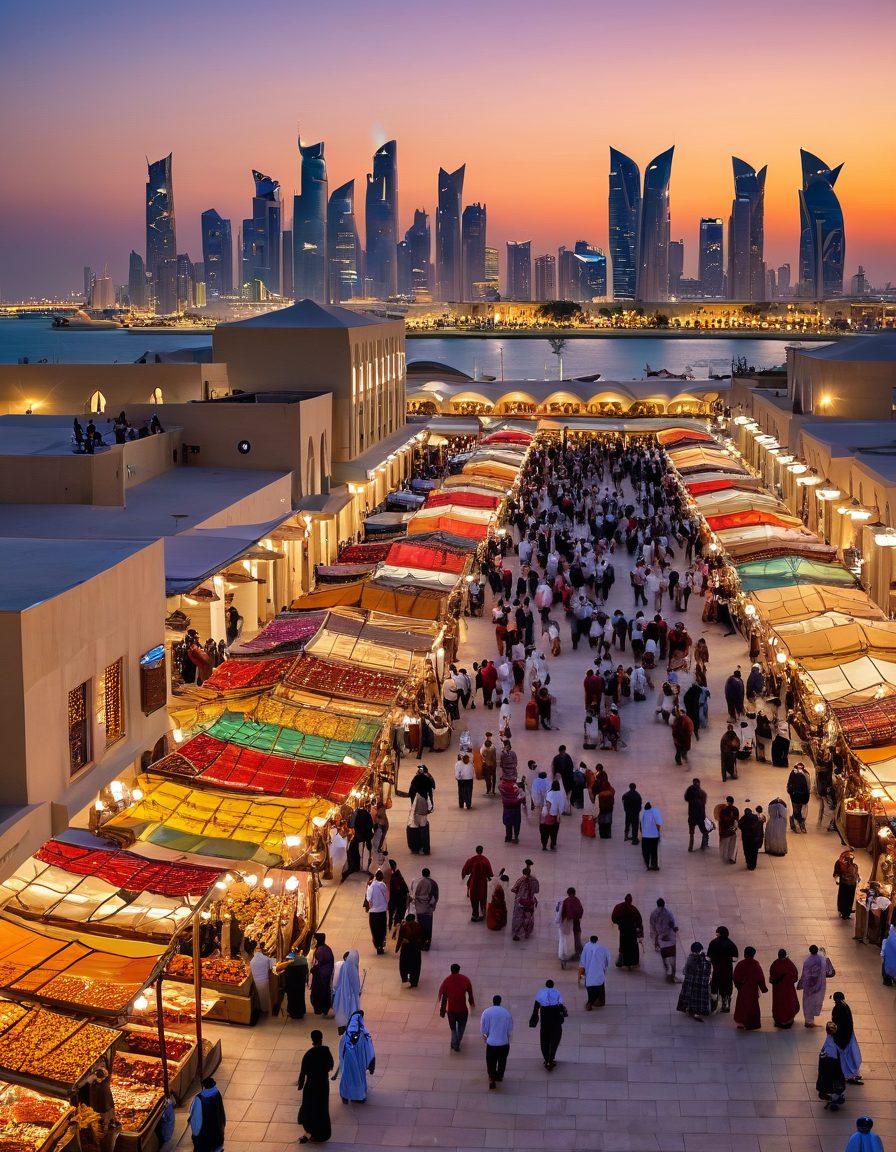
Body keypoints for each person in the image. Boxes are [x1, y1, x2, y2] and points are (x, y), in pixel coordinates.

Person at [297, 1030, 334, 1143]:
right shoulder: (326, 1051)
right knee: (322, 1108)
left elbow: (303, 1071)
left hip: (312, 1085)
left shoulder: (309, 1054)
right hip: (323, 1084)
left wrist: (301, 1083)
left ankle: (312, 1131)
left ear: (312, 1039)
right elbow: (330, 1066)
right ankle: (322, 1134)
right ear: (321, 1038)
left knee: (310, 1108)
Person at [338, 1010, 375, 1103]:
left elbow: (341, 1049)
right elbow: (369, 1047)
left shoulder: (347, 1034)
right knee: (357, 1078)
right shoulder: (363, 1033)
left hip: (349, 1062)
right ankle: (358, 1097)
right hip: (358, 1062)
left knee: (348, 1078)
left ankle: (346, 1096)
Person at [529, 979, 567, 1070]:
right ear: (553, 985)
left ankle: (546, 1059)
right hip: (555, 1016)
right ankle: (551, 1057)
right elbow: (561, 1004)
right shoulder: (557, 992)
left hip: (545, 1016)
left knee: (544, 1038)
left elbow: (536, 1007)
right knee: (555, 1037)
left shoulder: (541, 992)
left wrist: (534, 1019)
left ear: (546, 985)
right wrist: (563, 1014)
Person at [438, 963, 475, 1051]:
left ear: (451, 970)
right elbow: (470, 992)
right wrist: (471, 1002)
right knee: (462, 1027)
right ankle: (456, 1042)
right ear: (459, 970)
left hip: (451, 1010)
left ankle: (455, 1043)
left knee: (453, 1028)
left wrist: (442, 1011)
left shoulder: (447, 981)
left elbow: (444, 997)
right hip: (462, 1009)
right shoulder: (465, 979)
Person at [798, 945, 836, 1027]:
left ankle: (808, 1021)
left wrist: (801, 984)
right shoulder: (822, 959)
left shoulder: (807, 961)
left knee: (808, 1003)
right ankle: (811, 1020)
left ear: (810, 951)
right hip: (820, 985)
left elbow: (805, 975)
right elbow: (830, 972)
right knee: (817, 1001)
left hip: (809, 987)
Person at [480, 995, 514, 1089]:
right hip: (503, 1042)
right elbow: (510, 1028)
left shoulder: (487, 1012)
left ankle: (492, 1077)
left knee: (491, 1061)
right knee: (502, 1060)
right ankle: (499, 1076)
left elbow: (484, 1027)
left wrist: (485, 1036)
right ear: (500, 1001)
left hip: (491, 1043)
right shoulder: (506, 1013)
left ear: (493, 1001)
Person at [831, 991, 863, 1084]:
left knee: (844, 1056)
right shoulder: (846, 1006)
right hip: (848, 1035)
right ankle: (851, 1074)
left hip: (842, 1036)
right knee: (850, 1055)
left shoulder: (837, 1008)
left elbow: (837, 1024)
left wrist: (836, 1036)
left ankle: (848, 1075)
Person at [732, 946, 767, 1030]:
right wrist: (763, 988)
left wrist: (738, 986)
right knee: (752, 1006)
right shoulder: (755, 964)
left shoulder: (740, 964)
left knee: (741, 1005)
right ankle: (752, 1023)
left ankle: (741, 1023)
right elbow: (760, 977)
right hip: (752, 990)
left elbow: (735, 976)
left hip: (743, 989)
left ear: (745, 954)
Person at [677, 942, 712, 1022]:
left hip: (691, 981)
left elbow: (685, 971)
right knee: (699, 997)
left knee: (691, 995)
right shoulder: (706, 959)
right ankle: (698, 1011)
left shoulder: (691, 958)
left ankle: (690, 1009)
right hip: (702, 982)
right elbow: (708, 970)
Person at [189, 1077, 226, 1152]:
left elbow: (196, 1119)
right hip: (217, 1133)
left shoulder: (199, 1099)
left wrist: (195, 1135)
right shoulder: (217, 1093)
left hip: (203, 1137)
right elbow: (221, 1112)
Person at [707, 926, 739, 1013]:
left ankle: (713, 1005)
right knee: (727, 988)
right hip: (727, 971)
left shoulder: (713, 943)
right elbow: (735, 958)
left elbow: (708, 958)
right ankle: (726, 1005)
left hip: (716, 970)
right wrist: (728, 959)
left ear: (719, 933)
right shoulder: (731, 944)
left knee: (714, 987)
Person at [816, 1022, 846, 1111]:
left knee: (828, 1081)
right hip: (832, 1065)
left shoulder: (828, 1042)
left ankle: (832, 1096)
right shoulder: (834, 1042)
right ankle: (834, 1097)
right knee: (835, 1082)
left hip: (826, 1065)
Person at [649, 898, 679, 983]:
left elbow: (652, 927)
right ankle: (672, 975)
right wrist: (674, 928)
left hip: (662, 938)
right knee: (672, 957)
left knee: (664, 956)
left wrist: (655, 939)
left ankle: (667, 971)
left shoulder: (654, 913)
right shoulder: (668, 914)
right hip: (669, 938)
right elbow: (672, 924)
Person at [276, 943, 309, 1020]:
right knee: (300, 996)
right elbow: (306, 970)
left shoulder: (290, 957)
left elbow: (283, 967)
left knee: (292, 997)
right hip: (300, 982)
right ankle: (301, 1012)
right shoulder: (303, 959)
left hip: (292, 982)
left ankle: (293, 1012)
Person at [769, 949, 800, 1029]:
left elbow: (772, 977)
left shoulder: (775, 964)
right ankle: (788, 1021)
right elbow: (795, 976)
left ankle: (779, 1020)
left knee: (778, 1004)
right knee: (788, 1004)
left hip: (777, 990)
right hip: (788, 990)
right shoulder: (789, 964)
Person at [332, 949, 362, 1031]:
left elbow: (335, 982)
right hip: (350, 1000)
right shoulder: (353, 970)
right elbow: (357, 986)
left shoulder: (342, 966)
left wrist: (334, 991)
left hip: (341, 996)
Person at [611, 893, 643, 970]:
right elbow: (639, 920)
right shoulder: (633, 909)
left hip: (623, 930)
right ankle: (633, 962)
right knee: (632, 946)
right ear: (631, 901)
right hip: (632, 931)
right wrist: (639, 930)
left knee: (623, 945)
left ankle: (623, 961)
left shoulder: (619, 907)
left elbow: (614, 918)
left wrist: (619, 923)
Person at [461, 846, 493, 922]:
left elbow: (466, 871)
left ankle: (475, 915)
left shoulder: (472, 860)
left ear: (476, 851)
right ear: (482, 851)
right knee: (483, 897)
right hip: (482, 883)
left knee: (474, 898)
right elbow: (490, 873)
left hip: (474, 883)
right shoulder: (485, 860)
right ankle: (483, 913)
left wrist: (466, 879)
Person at [395, 913, 424, 988]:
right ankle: (413, 981)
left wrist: (397, 949)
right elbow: (421, 938)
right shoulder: (418, 926)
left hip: (407, 948)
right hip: (414, 949)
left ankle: (406, 980)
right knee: (415, 965)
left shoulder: (404, 926)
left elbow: (400, 938)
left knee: (405, 965)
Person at [411, 868, 439, 949]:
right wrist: (432, 906)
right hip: (427, 909)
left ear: (422, 873)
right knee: (427, 927)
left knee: (420, 926)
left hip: (418, 908)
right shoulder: (433, 883)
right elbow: (435, 896)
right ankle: (427, 943)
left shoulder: (416, 881)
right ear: (429, 874)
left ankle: (420, 942)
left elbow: (412, 893)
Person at [511, 867, 540, 941]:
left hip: (520, 902)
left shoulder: (520, 880)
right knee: (529, 917)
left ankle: (516, 933)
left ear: (523, 873)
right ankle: (527, 933)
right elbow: (537, 890)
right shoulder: (534, 880)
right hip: (530, 902)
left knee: (518, 917)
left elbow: (513, 889)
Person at [309, 933, 335, 1017]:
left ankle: (320, 1009)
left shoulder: (320, 950)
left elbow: (318, 963)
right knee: (325, 991)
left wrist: (312, 969)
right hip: (325, 975)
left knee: (318, 992)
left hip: (321, 976)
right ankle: (324, 1008)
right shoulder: (326, 948)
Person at [248, 940, 276, 1014]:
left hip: (255, 981)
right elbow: (273, 967)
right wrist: (273, 958)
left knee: (257, 996)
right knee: (264, 996)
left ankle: (258, 1009)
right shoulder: (266, 959)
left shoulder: (252, 961)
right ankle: (265, 1010)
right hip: (264, 980)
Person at [558, 887, 584, 965]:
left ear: (568, 893)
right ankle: (577, 952)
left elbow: (562, 913)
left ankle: (568, 955)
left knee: (567, 938)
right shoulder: (577, 900)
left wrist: (563, 921)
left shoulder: (566, 901)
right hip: (576, 923)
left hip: (568, 923)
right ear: (574, 893)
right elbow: (581, 910)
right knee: (577, 938)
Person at [365, 871, 389, 954]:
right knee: (382, 929)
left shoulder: (371, 885)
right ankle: (381, 945)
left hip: (373, 912)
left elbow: (368, 897)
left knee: (374, 929)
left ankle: (377, 944)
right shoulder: (382, 885)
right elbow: (387, 896)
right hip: (382, 911)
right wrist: (387, 905)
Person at [833, 849, 860, 920]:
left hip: (852, 884)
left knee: (850, 898)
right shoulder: (840, 863)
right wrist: (837, 879)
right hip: (845, 883)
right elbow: (836, 873)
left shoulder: (854, 865)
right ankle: (843, 912)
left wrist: (858, 878)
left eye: (852, 858)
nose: (851, 859)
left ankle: (848, 911)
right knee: (844, 897)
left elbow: (856, 873)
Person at [539, 780, 565, 851]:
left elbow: (545, 803)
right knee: (554, 832)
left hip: (546, 815)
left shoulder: (548, 792)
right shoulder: (561, 794)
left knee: (544, 831)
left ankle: (544, 845)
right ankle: (553, 844)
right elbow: (561, 806)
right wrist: (559, 814)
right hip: (555, 816)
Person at [684, 778, 708, 851]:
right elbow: (703, 804)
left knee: (691, 832)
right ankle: (703, 846)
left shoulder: (690, 791)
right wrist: (704, 816)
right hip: (700, 816)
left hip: (691, 816)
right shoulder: (703, 793)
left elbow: (686, 798)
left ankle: (690, 847)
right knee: (704, 831)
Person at [787, 763, 811, 832]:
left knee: (795, 811)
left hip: (795, 797)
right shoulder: (806, 774)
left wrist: (790, 792)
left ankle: (796, 826)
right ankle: (801, 825)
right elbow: (808, 787)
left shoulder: (793, 774)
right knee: (801, 812)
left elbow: (789, 784)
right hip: (803, 797)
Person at [386, 860, 409, 932]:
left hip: (391, 900)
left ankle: (390, 927)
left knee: (390, 914)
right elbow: (405, 888)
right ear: (395, 866)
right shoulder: (398, 875)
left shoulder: (384, 877)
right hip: (399, 900)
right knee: (398, 914)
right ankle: (395, 928)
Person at [639, 801, 663, 871]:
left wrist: (643, 833)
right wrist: (657, 831)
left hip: (645, 836)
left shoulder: (642, 813)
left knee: (646, 851)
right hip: (654, 836)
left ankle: (647, 864)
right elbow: (659, 823)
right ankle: (654, 865)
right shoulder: (655, 811)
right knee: (654, 851)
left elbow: (640, 825)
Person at [717, 796, 740, 864]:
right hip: (732, 830)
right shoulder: (735, 809)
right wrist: (735, 828)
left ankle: (725, 858)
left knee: (726, 844)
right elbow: (736, 821)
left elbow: (721, 821)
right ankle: (731, 858)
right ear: (733, 802)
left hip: (725, 830)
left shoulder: (723, 810)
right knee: (732, 845)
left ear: (727, 801)